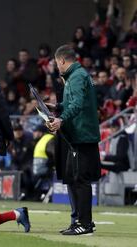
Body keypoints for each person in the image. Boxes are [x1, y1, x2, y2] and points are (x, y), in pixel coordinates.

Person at [47, 44, 101, 235]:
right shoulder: (76, 76)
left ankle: (85, 224)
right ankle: (80, 220)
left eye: (56, 63)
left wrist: (61, 119)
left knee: (80, 180)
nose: (56, 66)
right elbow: (75, 102)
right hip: (78, 135)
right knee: (74, 177)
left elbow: (78, 104)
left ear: (62, 60)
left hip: (82, 135)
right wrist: (58, 106)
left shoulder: (76, 77)